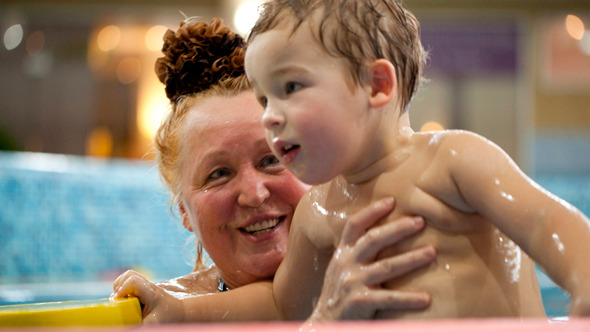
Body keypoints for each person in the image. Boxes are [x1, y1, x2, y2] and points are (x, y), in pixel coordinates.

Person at [115, 0, 590, 321]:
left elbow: (547, 220)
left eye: (290, 89)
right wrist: (178, 310)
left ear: (377, 86)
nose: (272, 117)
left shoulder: (455, 161)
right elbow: (282, 306)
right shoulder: (319, 212)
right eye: (265, 98)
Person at [112, 17, 437, 323]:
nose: (254, 194)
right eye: (218, 174)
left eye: (273, 159)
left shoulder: (393, 265)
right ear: (184, 210)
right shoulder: (155, 313)